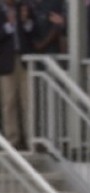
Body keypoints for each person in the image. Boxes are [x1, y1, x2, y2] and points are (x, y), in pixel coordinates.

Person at [0, 0, 36, 150]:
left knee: (28, 101)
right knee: (9, 102)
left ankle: (30, 138)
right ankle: (12, 140)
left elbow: (33, 32)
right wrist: (10, 25)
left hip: (24, 60)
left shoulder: (24, 7)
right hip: (6, 62)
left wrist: (26, 22)